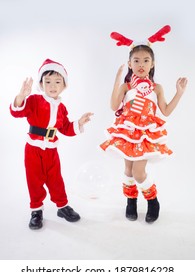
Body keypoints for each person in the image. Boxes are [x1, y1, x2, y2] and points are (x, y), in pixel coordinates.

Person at [100, 26, 188, 223]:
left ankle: (152, 200)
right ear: (129, 64)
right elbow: (114, 105)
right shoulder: (126, 86)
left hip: (145, 133)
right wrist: (116, 81)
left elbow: (165, 111)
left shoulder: (156, 88)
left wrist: (179, 93)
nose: (141, 64)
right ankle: (131, 202)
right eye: (136, 60)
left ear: (152, 63)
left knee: (139, 173)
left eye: (146, 60)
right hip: (127, 131)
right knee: (129, 171)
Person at [10, 58, 93, 230]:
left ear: (64, 85)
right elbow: (17, 112)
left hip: (51, 150)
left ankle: (62, 207)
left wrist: (79, 123)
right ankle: (36, 210)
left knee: (56, 180)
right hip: (33, 148)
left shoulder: (61, 108)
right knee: (34, 180)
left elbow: (66, 128)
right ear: (41, 84)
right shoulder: (33, 100)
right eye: (47, 82)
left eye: (57, 82)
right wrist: (21, 97)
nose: (52, 86)